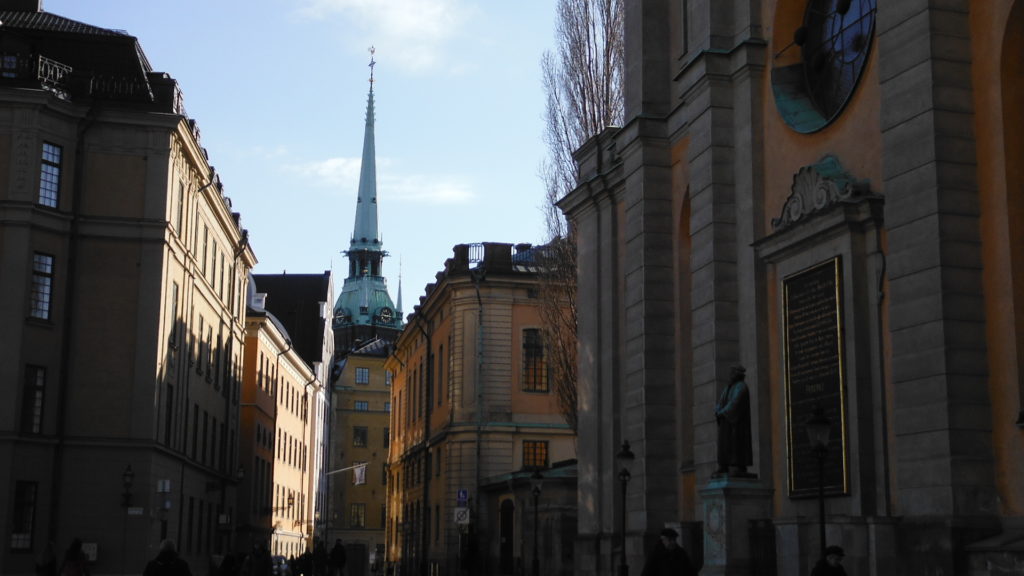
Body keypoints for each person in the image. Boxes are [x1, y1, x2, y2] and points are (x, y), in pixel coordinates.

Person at [714, 364, 753, 477]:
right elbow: (721, 401)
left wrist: (722, 412)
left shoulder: (741, 387)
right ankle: (724, 465)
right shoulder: (728, 387)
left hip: (736, 424)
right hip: (726, 422)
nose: (730, 375)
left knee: (736, 444)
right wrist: (718, 410)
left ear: (737, 374)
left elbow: (735, 403)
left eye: (732, 373)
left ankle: (738, 465)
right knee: (724, 444)